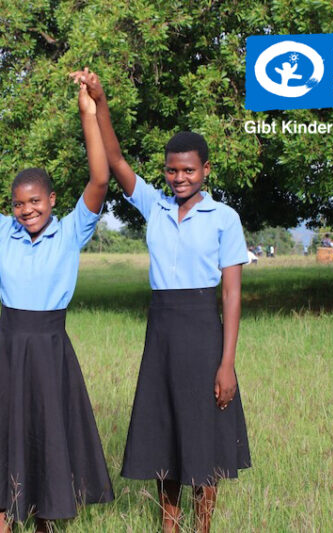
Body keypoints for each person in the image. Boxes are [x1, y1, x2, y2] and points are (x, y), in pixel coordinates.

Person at [73, 68, 250, 533]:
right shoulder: (154, 205)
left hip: (202, 331)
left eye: (189, 170)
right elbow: (112, 158)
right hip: (162, 330)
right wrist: (101, 100)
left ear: (205, 171)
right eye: (172, 169)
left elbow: (231, 293)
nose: (179, 177)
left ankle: (202, 525)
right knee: (166, 434)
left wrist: (226, 363)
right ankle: (169, 525)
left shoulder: (224, 218)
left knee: (203, 437)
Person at [0, 81, 113, 532]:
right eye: (19, 204)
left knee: (48, 440)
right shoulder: (4, 231)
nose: (26, 211)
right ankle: (2, 522)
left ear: (52, 201)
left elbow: (100, 178)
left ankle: (45, 521)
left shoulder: (73, 229)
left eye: (35, 201)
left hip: (51, 349)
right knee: (5, 438)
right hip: (9, 348)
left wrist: (88, 112)